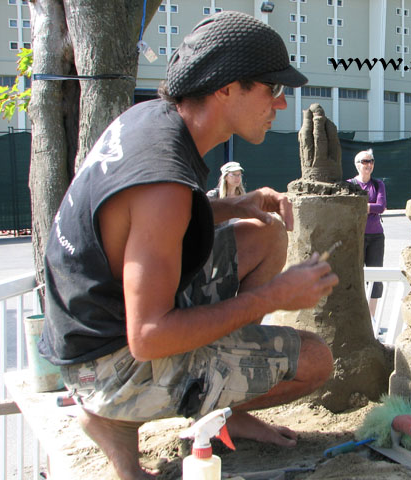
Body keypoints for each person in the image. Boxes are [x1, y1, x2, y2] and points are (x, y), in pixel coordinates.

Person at [39, 11, 338, 480]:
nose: (280, 105)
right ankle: (114, 415)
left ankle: (224, 408)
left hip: (90, 327)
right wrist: (274, 297)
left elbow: (141, 226)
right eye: (271, 89)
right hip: (108, 363)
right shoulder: (164, 185)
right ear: (225, 88)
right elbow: (149, 336)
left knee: (265, 234)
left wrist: (233, 205)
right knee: (316, 360)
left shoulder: (154, 120)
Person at [348, 149, 387, 319]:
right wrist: (371, 207)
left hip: (376, 237)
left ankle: (371, 320)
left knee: (375, 277)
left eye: (371, 161)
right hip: (356, 236)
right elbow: (349, 208)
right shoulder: (349, 185)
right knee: (355, 276)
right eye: (365, 161)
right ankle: (357, 319)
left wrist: (363, 206)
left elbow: (382, 207)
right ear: (357, 165)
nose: (369, 165)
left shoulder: (379, 184)